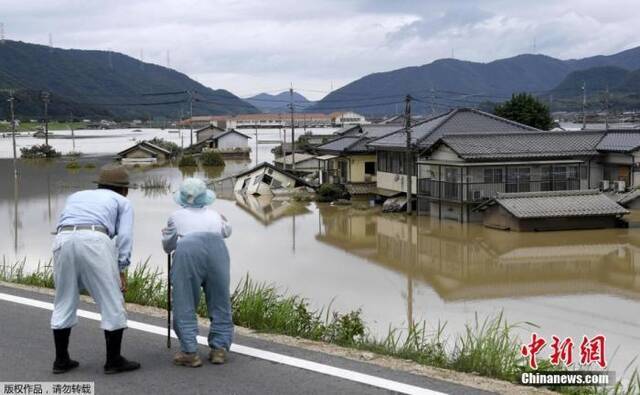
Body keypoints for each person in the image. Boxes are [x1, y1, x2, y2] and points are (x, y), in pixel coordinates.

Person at [51, 165, 141, 374]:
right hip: (94, 240)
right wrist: (122, 268)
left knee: (64, 299)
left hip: (62, 238)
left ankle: (61, 360)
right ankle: (113, 361)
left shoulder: (76, 196)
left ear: (99, 184)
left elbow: (64, 220)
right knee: (112, 300)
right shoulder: (122, 201)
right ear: (124, 189)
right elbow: (125, 237)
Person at [162, 177, 233, 368]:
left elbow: (168, 247)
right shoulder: (216, 215)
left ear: (183, 198)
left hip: (188, 251)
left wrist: (166, 235)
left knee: (185, 301)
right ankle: (219, 349)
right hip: (218, 250)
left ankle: (190, 352)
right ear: (205, 198)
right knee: (220, 300)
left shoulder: (175, 217)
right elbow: (227, 231)